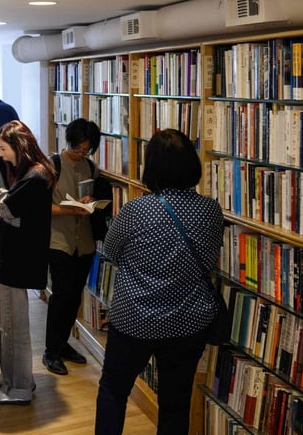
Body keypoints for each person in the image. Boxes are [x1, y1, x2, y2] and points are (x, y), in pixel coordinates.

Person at [95, 128, 224, 434]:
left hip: (134, 319)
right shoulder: (210, 210)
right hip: (188, 321)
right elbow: (208, 259)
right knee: (176, 402)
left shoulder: (135, 210)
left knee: (114, 390)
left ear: (151, 166)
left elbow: (111, 252)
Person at [0, 120, 55, 405]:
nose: (0, 155)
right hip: (6, 258)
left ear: (18, 147)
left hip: (17, 261)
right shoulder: (23, 172)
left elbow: (6, 205)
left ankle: (20, 386)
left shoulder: (37, 176)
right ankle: (14, 374)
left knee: (13, 326)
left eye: (3, 149)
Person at [43, 118, 102, 375]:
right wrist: (71, 209)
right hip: (59, 242)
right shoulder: (51, 165)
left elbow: (95, 199)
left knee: (74, 296)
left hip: (85, 243)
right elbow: (41, 207)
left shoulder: (91, 168)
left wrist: (91, 204)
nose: (82, 154)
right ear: (70, 142)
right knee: (60, 296)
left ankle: (63, 343)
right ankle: (51, 351)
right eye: (78, 148)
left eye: (87, 150)